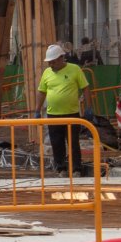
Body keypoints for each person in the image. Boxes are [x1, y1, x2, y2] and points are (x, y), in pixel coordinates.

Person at [32, 44, 89, 177]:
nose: (50, 65)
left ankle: (76, 169)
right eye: (49, 62)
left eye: (53, 62)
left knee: (73, 142)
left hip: (72, 114)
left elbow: (85, 88)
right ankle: (61, 168)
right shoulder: (47, 73)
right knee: (56, 143)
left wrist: (88, 108)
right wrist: (37, 110)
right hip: (53, 115)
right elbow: (41, 92)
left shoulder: (75, 70)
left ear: (61, 58)